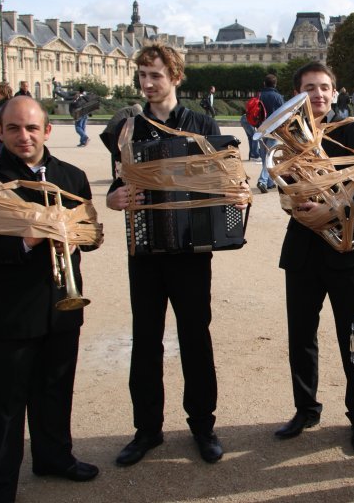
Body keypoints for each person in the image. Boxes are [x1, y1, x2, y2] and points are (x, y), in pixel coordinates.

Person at [0, 96, 101, 502]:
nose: (24, 136)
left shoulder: (71, 177)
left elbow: (89, 238)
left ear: (47, 130)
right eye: (14, 128)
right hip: (11, 312)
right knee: (4, 402)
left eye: (32, 128)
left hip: (61, 304)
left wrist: (77, 235)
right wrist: (27, 239)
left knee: (56, 388)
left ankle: (54, 457)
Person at [106, 44, 227, 467]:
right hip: (145, 250)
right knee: (146, 342)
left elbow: (225, 184)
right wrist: (114, 198)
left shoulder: (202, 124)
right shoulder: (126, 128)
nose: (147, 84)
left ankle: (203, 426)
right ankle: (147, 430)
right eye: (142, 75)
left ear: (175, 76)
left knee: (196, 338)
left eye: (155, 75)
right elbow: (115, 185)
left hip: (191, 251)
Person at [274, 61, 354, 452]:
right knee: (301, 334)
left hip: (346, 243)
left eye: (323, 87)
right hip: (303, 245)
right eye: (309, 89)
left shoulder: (352, 129)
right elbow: (283, 185)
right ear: (298, 95)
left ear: (335, 92)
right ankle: (306, 409)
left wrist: (331, 211)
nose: (317, 94)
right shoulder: (288, 136)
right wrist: (295, 203)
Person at [257, 73, 285, 193]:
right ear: (275, 84)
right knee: (269, 157)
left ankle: (269, 182)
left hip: (261, 128)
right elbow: (283, 113)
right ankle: (263, 181)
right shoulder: (278, 97)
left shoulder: (259, 95)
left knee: (265, 157)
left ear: (264, 83)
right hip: (273, 129)